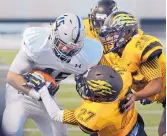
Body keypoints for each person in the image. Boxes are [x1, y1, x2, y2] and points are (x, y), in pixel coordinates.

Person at [2, 13, 103, 136]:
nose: (66, 51)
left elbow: (101, 80)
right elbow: (12, 77)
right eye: (63, 45)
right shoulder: (38, 43)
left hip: (47, 98)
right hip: (19, 94)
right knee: (11, 130)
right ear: (54, 35)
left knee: (60, 133)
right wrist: (37, 93)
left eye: (73, 49)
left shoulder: (88, 54)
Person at [25, 65, 147, 136]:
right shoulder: (122, 79)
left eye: (88, 87)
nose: (84, 87)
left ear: (99, 97)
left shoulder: (97, 114)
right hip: (135, 127)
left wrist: (42, 90)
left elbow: (56, 115)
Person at [99, 11, 166, 136]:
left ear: (127, 32)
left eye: (113, 33)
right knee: (163, 130)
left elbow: (156, 85)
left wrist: (136, 96)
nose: (108, 38)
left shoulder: (137, 47)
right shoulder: (116, 54)